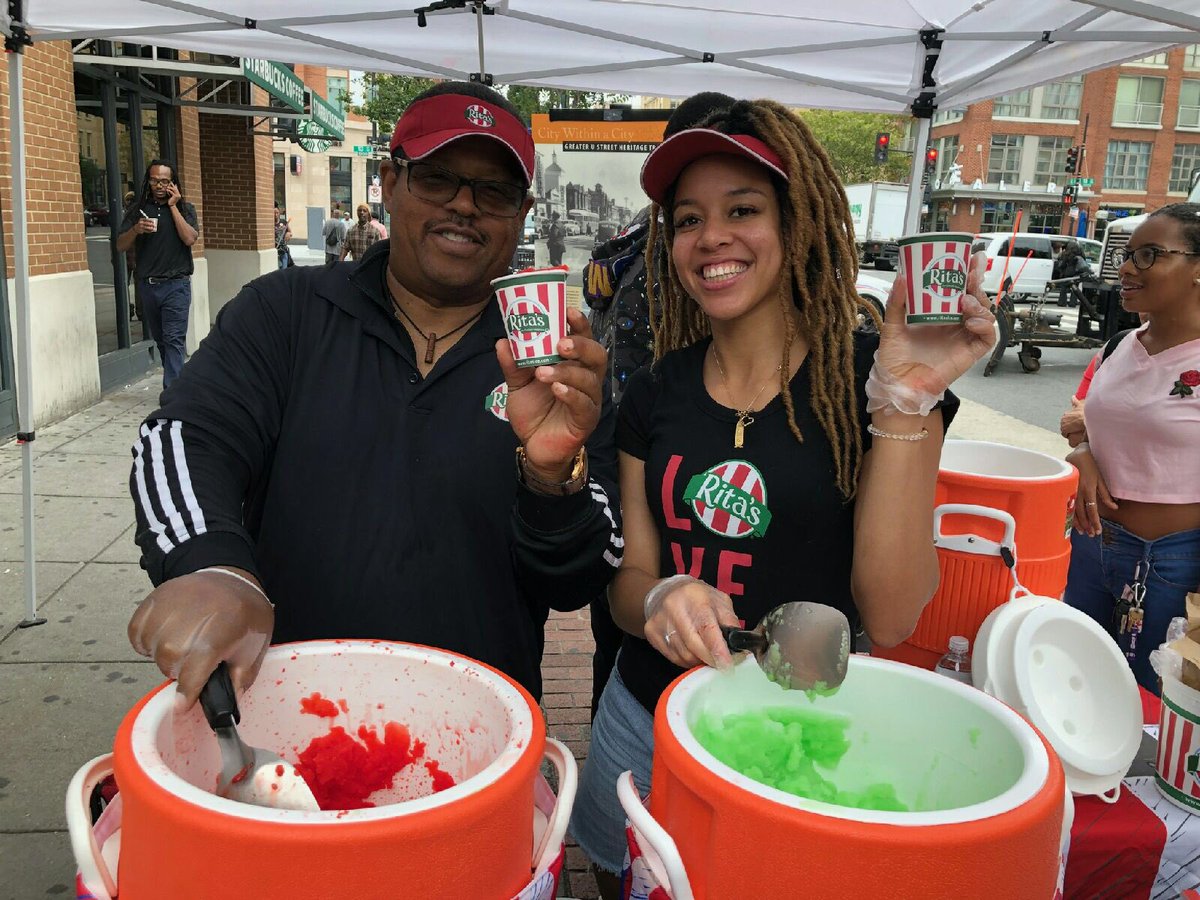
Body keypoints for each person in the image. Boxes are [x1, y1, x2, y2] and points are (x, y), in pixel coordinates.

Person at [567, 98, 996, 896]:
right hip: (646, 717)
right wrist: (662, 593)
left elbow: (894, 612)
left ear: (797, 222)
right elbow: (627, 589)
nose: (711, 238)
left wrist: (904, 397)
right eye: (688, 219)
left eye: (743, 209)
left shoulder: (873, 378)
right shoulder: (655, 392)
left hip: (802, 731)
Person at [124, 81, 623, 711]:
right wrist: (211, 565)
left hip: (477, 731)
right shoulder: (287, 312)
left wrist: (553, 478)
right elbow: (182, 440)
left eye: (493, 191)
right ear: (390, 183)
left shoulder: (555, 362)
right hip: (284, 719)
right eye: (438, 177)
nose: (465, 206)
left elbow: (581, 577)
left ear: (522, 212)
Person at [583, 91, 736, 720]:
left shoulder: (620, 250)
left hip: (657, 462)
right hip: (634, 462)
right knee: (628, 634)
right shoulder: (641, 254)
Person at [1063, 202, 1200, 695]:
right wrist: (1081, 457)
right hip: (1091, 546)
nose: (1125, 267)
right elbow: (1090, 428)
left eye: (1148, 255)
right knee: (1076, 687)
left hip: (1175, 568)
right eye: (1127, 254)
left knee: (1153, 707)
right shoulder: (1121, 344)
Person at [116, 159, 199, 389]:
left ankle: (172, 395)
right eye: (155, 180)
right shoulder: (138, 210)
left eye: (165, 181)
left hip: (176, 285)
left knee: (174, 340)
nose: (160, 185)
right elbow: (120, 246)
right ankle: (177, 383)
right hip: (148, 287)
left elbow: (190, 238)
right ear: (148, 181)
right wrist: (136, 229)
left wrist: (173, 206)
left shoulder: (185, 209)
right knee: (162, 341)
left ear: (173, 183)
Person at [1051, 240, 1094, 307]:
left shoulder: (1066, 253)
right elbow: (1084, 261)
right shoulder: (1080, 253)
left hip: (1068, 273)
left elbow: (1062, 264)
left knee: (1064, 287)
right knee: (1075, 288)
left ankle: (1062, 302)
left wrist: (1061, 269)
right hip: (1077, 273)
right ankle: (1073, 303)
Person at [274, 203, 293, 270]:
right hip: (275, 251)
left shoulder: (284, 222)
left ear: (279, 213)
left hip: (283, 250)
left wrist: (288, 233)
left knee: (284, 270)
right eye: (274, 213)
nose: (275, 215)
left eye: (277, 213)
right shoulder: (270, 224)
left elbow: (290, 232)